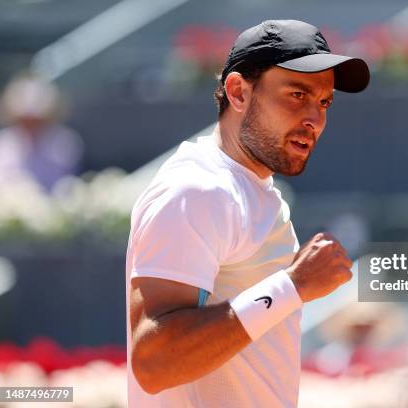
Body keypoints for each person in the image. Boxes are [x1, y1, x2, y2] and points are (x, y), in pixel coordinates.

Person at [126, 20, 370, 407]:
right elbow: (154, 363)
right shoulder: (197, 190)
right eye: (297, 94)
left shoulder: (249, 188)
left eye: (324, 102)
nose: (315, 119)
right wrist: (291, 287)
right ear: (238, 92)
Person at [0, 73, 83, 191]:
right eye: (24, 119)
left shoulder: (65, 143)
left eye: (36, 119)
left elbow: (65, 185)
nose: (30, 123)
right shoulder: (3, 143)